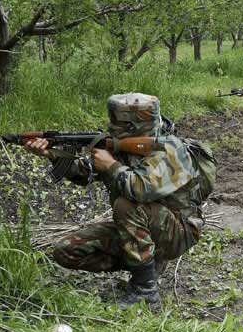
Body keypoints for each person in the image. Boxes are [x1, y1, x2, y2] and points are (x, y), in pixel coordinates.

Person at [24, 93, 208, 305]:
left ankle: (145, 290)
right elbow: (84, 173)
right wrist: (52, 154)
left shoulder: (170, 149)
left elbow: (140, 190)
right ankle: (143, 262)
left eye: (117, 124)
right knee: (66, 250)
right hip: (145, 228)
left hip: (178, 232)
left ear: (133, 125)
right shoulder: (119, 146)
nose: (111, 128)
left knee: (126, 204)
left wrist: (110, 165)